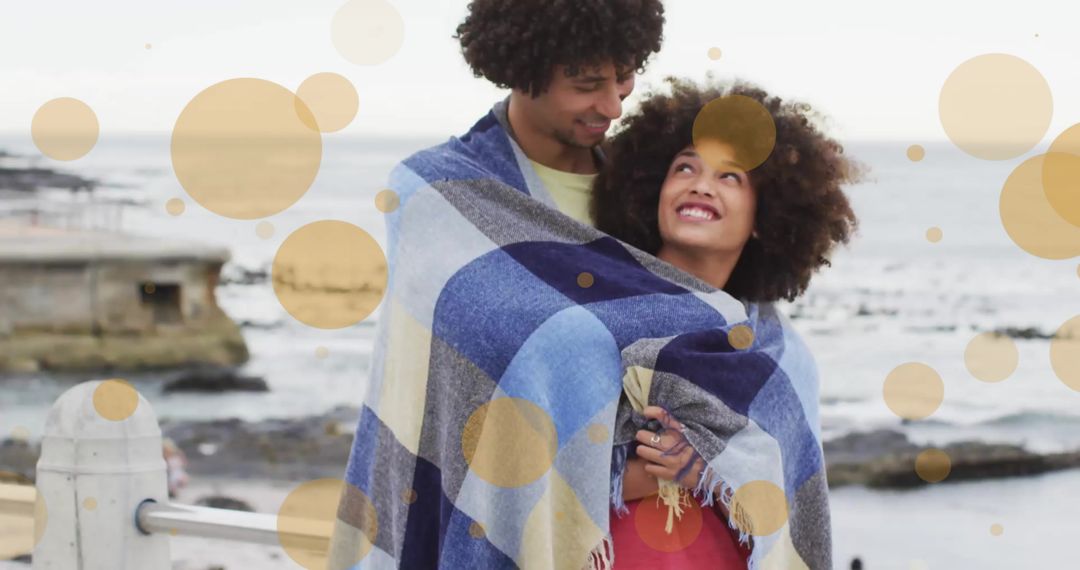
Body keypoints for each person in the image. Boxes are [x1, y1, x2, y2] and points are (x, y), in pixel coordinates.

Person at [328, 1, 665, 568]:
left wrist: (695, 453)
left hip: (642, 536)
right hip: (509, 506)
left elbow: (709, 332)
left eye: (626, 77)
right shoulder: (437, 193)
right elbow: (448, 385)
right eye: (586, 84)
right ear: (521, 68)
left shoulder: (650, 191)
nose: (611, 105)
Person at [589, 78, 859, 568]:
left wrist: (704, 468)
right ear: (653, 190)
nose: (701, 183)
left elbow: (787, 503)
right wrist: (654, 474)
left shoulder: (779, 355)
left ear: (763, 215)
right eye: (684, 167)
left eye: (730, 177)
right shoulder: (593, 314)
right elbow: (534, 467)